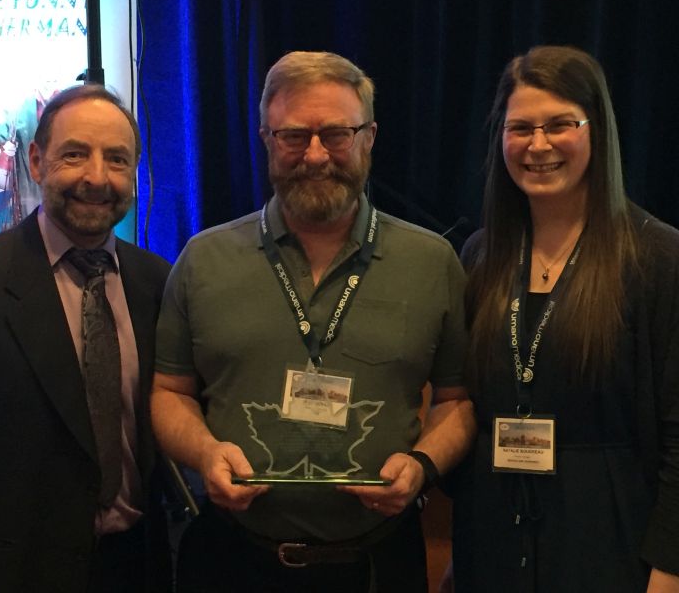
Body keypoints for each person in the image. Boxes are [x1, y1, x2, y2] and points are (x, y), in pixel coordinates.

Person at [151, 50, 476, 592]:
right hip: (232, 562)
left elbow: (457, 400)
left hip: (378, 565)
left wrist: (422, 465)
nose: (317, 154)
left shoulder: (433, 261)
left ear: (370, 137)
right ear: (266, 138)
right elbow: (168, 392)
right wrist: (204, 453)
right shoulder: (203, 260)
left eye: (337, 134)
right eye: (294, 136)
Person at [0, 84, 172, 592]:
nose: (96, 177)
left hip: (137, 568)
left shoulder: (158, 282)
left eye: (117, 160)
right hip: (8, 575)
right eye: (75, 154)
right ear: (38, 162)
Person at [450, 45, 679, 592]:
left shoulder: (657, 258)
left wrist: (669, 570)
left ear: (596, 130)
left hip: (609, 540)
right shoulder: (481, 255)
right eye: (520, 127)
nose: (538, 145)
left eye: (560, 125)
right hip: (495, 536)